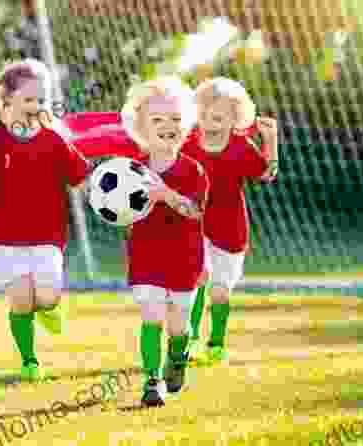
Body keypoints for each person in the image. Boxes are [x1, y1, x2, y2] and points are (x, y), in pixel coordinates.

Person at [0, 58, 91, 382]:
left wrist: (109, 200)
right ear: (7, 103)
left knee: (46, 298)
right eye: (29, 99)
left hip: (47, 237)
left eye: (42, 100)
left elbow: (81, 179)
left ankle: (48, 309)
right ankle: (29, 361)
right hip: (4, 239)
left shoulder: (56, 140)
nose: (37, 106)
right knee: (20, 301)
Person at [118, 77, 210, 407]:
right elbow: (124, 218)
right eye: (158, 120)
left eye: (175, 120)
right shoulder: (130, 172)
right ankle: (152, 381)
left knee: (178, 322)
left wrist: (166, 195)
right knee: (152, 315)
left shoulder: (194, 171)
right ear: (141, 128)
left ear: (184, 126)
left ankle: (178, 356)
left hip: (184, 257)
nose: (168, 126)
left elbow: (195, 211)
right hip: (147, 257)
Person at [181, 77, 279, 366]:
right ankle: (187, 339)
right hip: (195, 224)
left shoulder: (240, 146)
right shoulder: (187, 144)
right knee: (198, 278)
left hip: (231, 229)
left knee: (220, 290)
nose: (210, 122)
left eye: (219, 116)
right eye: (204, 115)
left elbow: (266, 173)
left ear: (235, 119)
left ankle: (217, 344)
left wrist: (270, 140)